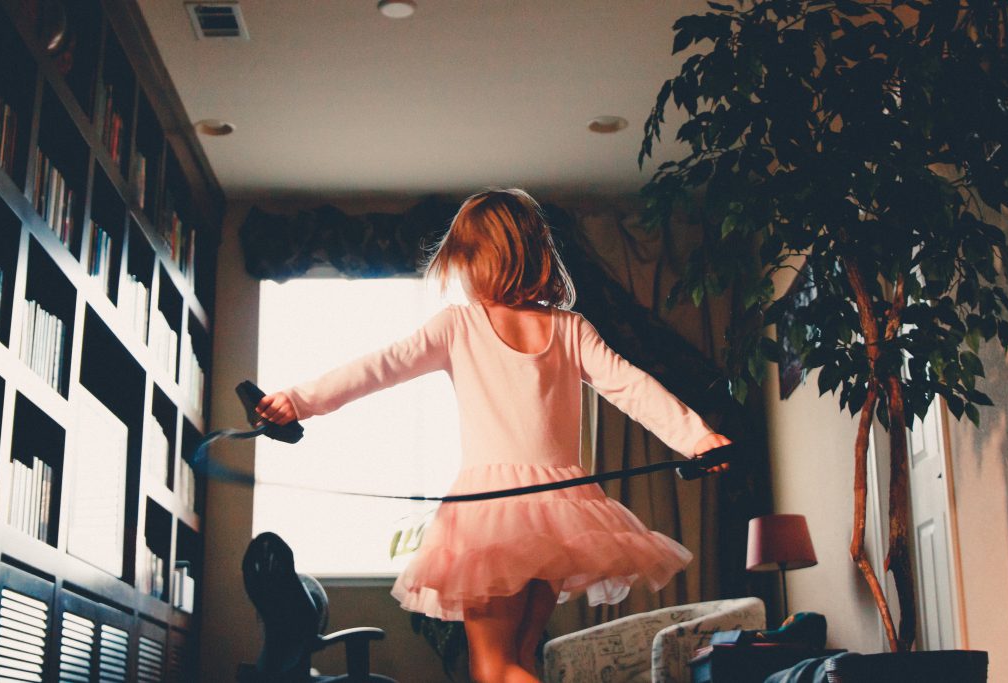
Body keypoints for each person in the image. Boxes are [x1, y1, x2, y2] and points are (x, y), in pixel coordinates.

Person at [255, 189, 732, 683]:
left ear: (478, 259)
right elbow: (633, 386)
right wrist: (698, 438)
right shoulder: (570, 329)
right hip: (561, 510)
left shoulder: (458, 326)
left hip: (492, 512)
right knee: (519, 660)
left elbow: (379, 368)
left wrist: (298, 400)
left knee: (494, 667)